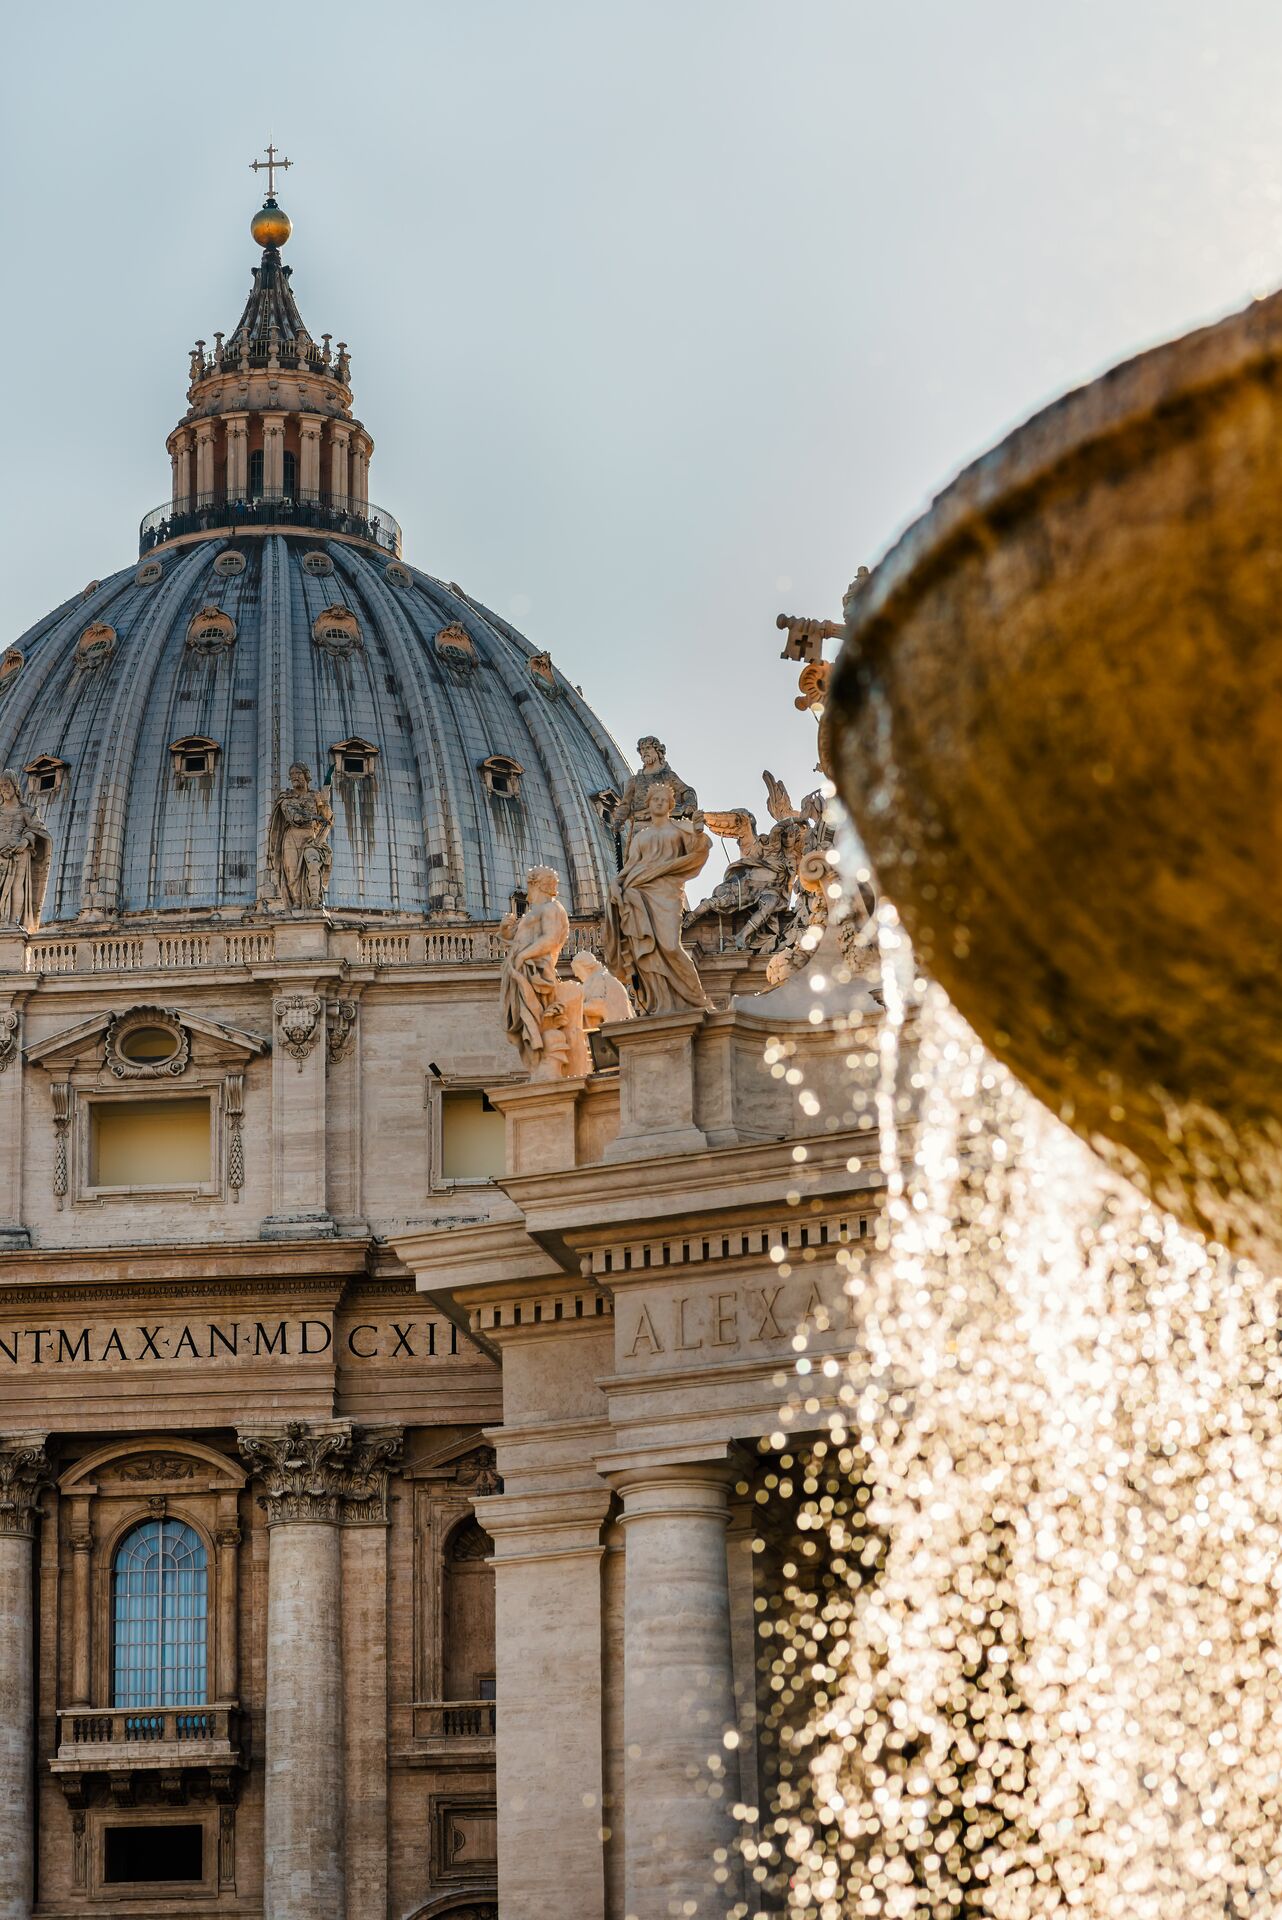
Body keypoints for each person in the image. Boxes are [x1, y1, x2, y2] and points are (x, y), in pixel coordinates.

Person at [604, 781, 711, 1016]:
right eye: (655, 800)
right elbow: (630, 868)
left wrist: (699, 831)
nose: (660, 803)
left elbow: (698, 851)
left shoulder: (680, 829)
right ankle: (659, 1002)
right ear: (649, 804)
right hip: (641, 892)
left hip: (668, 891)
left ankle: (696, 999)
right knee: (648, 949)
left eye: (664, 800)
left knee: (671, 946)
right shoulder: (642, 837)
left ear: (671, 805)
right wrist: (616, 884)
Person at [498, 867, 589, 1079]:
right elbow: (516, 938)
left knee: (536, 1022)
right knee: (526, 1024)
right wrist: (505, 930)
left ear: (535, 883)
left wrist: (522, 956)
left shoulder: (551, 908)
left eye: (530, 883)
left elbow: (550, 939)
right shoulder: (534, 912)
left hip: (535, 972)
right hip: (521, 971)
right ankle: (540, 1062)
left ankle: (546, 1060)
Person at [610, 736, 698, 849]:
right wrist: (618, 820)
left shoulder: (668, 776)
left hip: (663, 825)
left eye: (648, 748)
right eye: (642, 749)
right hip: (639, 826)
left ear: (658, 752)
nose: (645, 751)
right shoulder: (634, 780)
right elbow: (625, 804)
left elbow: (687, 791)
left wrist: (690, 804)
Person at [266, 764, 333, 909]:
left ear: (306, 776)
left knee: (314, 865)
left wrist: (325, 798)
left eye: (298, 773)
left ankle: (314, 900)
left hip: (311, 838)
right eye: (292, 774)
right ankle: (296, 902)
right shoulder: (285, 798)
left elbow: (326, 817)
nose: (294, 776)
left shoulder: (315, 796)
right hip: (291, 838)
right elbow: (294, 817)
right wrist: (315, 816)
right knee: (292, 873)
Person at [0, 770, 53, 931]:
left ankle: (13, 923)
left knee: (17, 886)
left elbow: (39, 831)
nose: (4, 789)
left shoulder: (27, 810)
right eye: (1, 786)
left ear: (15, 786)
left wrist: (25, 840)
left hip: (19, 853)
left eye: (7, 785)